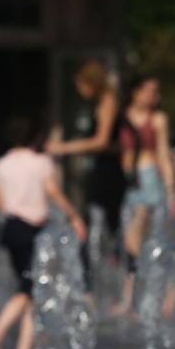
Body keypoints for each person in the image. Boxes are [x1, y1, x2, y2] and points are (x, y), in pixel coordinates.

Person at [0, 118, 87, 349]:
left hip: (10, 228)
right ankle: (13, 345)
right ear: (35, 137)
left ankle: (12, 344)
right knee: (35, 291)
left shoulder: (2, 164)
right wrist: (73, 215)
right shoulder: (41, 162)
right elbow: (51, 189)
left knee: (27, 287)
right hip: (31, 230)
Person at [109, 76, 175, 317]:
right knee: (133, 243)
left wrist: (171, 192)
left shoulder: (158, 119)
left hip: (148, 179)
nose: (154, 96)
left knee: (133, 240)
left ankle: (161, 290)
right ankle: (134, 298)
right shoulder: (121, 116)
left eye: (157, 92)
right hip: (127, 181)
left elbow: (163, 153)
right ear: (135, 92)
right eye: (150, 91)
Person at [47, 60, 125, 271]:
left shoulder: (109, 100)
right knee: (97, 221)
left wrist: (63, 148)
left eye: (82, 85)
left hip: (109, 171)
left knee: (109, 222)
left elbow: (101, 141)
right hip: (101, 167)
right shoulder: (100, 102)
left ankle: (123, 275)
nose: (80, 90)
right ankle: (93, 275)